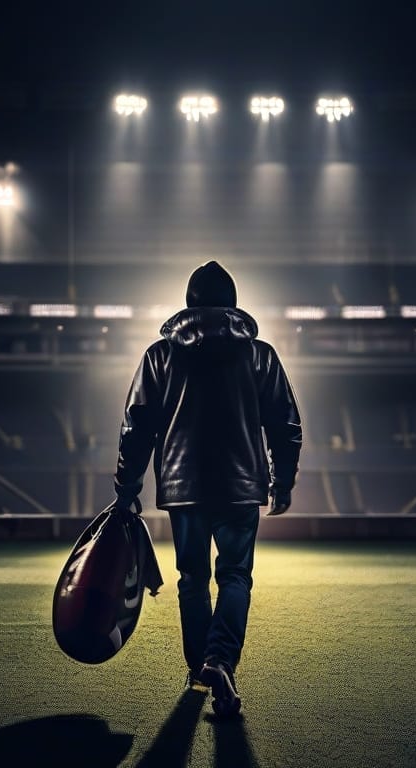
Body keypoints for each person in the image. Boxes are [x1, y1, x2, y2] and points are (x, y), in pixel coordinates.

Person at [113, 261, 302, 717]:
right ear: (234, 304)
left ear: (188, 304)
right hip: (241, 486)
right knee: (235, 576)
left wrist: (127, 484)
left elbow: (136, 426)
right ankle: (221, 660)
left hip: (184, 488)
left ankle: (200, 669)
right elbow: (286, 424)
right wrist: (283, 480)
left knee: (192, 581)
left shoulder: (161, 354)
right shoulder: (260, 355)